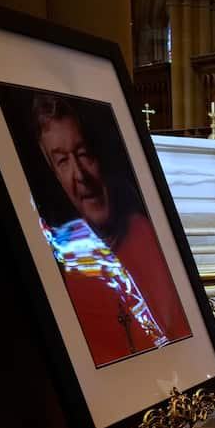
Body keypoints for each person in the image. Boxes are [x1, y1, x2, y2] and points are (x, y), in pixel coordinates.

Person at [29, 93, 190, 364]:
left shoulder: (146, 234)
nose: (80, 174)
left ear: (99, 156)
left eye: (83, 154)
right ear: (55, 175)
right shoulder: (64, 259)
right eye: (63, 161)